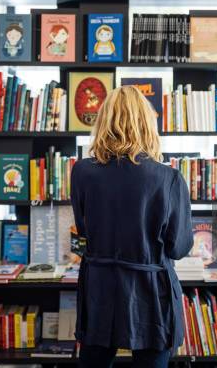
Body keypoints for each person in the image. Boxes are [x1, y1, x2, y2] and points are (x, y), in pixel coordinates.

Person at [71, 86, 193, 368]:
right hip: (151, 293)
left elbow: (82, 233)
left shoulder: (82, 172)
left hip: (99, 288)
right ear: (146, 124)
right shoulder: (169, 177)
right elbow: (178, 248)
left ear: (103, 121)